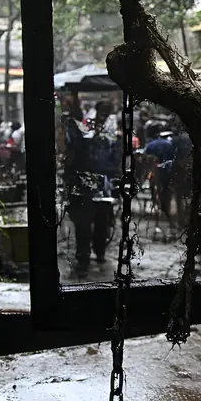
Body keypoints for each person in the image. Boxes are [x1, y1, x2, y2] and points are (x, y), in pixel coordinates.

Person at [63, 95, 117, 277]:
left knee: (102, 221)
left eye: (107, 112)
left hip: (103, 183)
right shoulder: (83, 129)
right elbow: (73, 152)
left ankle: (99, 252)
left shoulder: (110, 133)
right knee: (83, 224)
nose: (104, 115)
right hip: (83, 183)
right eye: (103, 112)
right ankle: (83, 258)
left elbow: (114, 156)